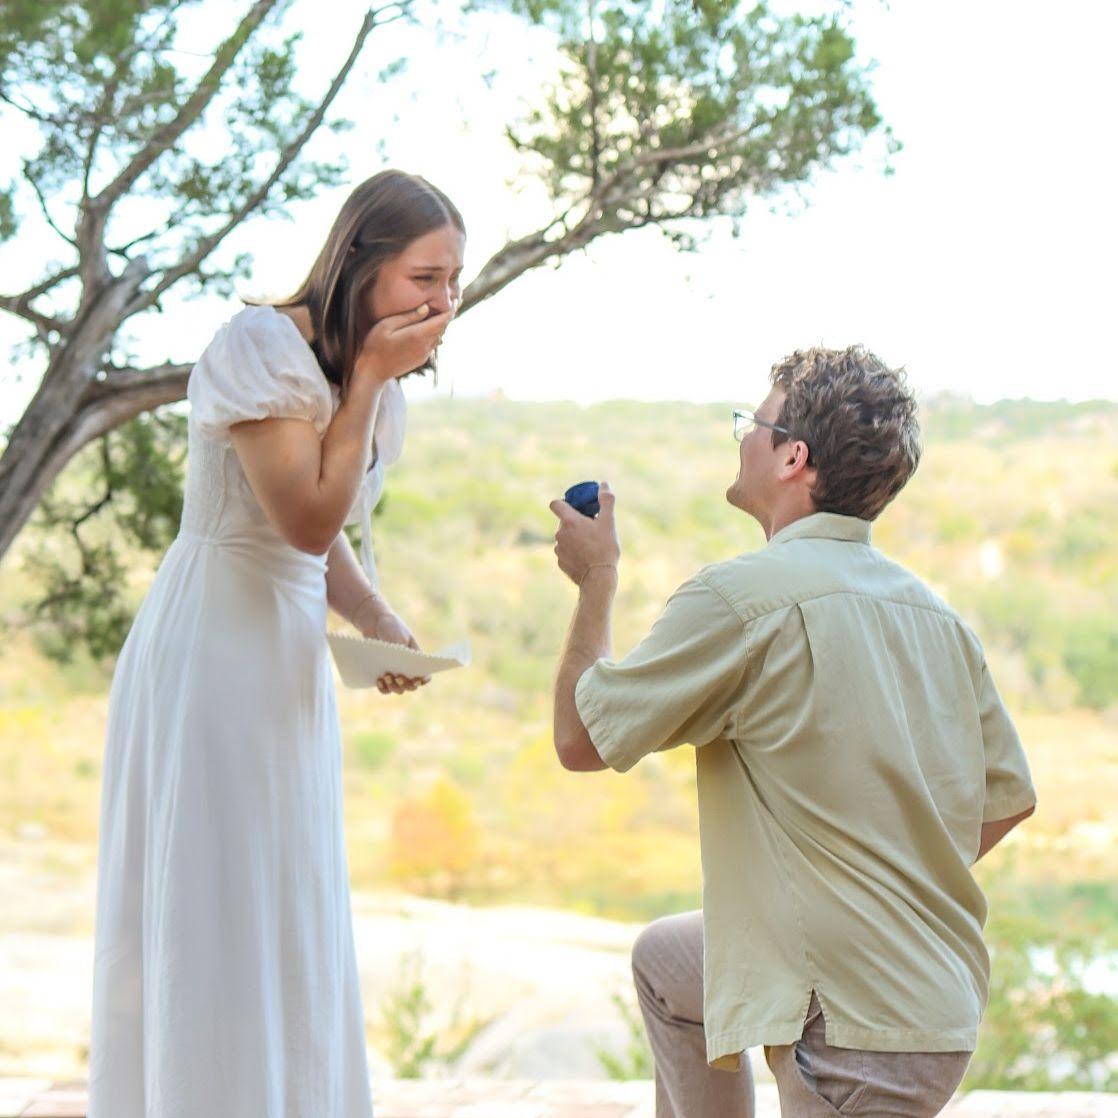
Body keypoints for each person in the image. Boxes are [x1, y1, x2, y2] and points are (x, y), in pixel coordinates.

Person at [547, 345, 1036, 1118]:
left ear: (792, 456)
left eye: (754, 424)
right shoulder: (935, 617)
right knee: (670, 965)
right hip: (935, 994)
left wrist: (597, 581)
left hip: (858, 1035)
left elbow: (580, 739)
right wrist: (879, 883)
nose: (742, 436)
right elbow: (1008, 799)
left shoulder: (739, 598)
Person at [88, 170, 466, 1118]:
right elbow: (299, 516)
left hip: (288, 660)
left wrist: (375, 618)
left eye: (455, 281)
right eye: (425, 275)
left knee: (285, 900)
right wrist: (371, 382)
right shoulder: (261, 345)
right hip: (215, 646)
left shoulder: (369, 390)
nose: (442, 302)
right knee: (216, 901)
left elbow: (324, 543)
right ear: (363, 264)